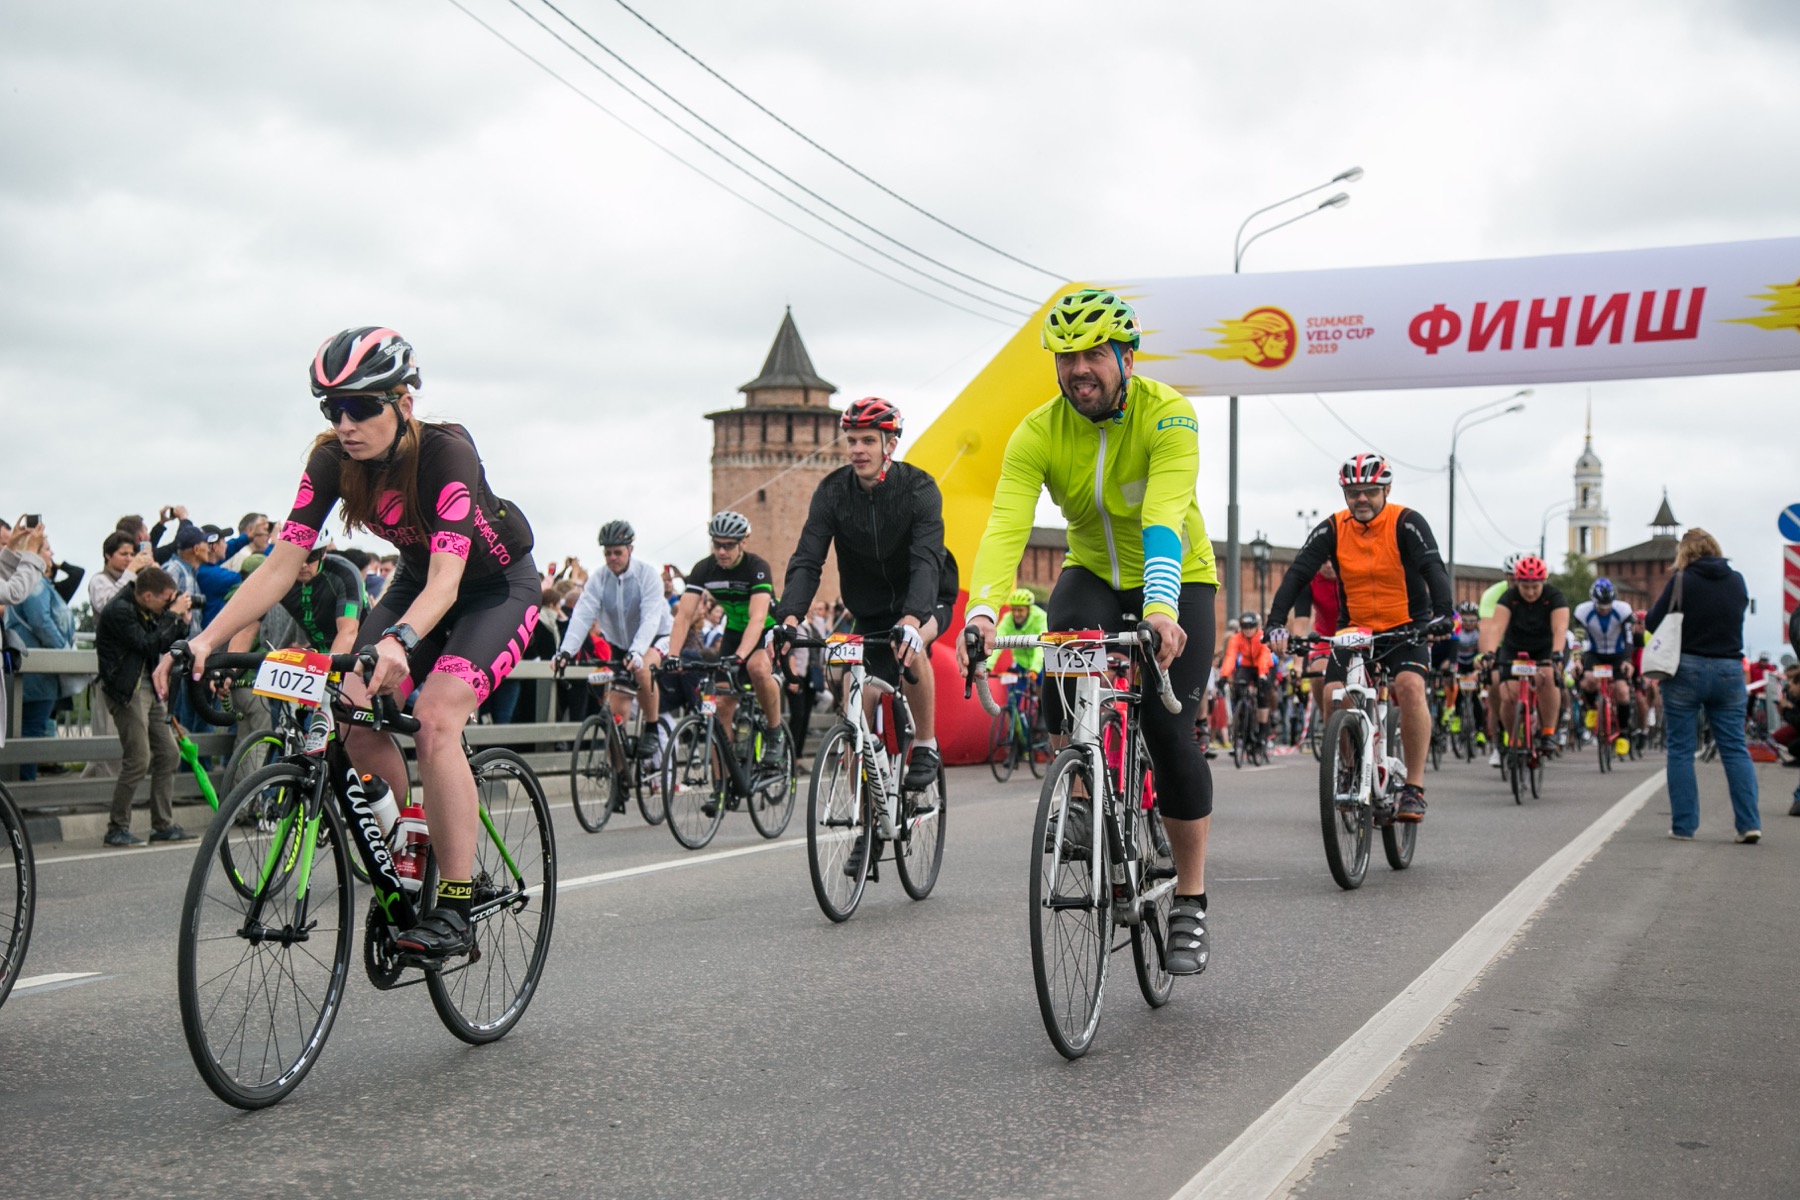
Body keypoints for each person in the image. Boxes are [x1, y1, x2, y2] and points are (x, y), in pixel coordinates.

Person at [157, 326, 539, 961]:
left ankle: (456, 901)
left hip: (495, 588)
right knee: (352, 708)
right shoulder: (331, 460)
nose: (345, 422)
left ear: (404, 403)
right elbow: (279, 566)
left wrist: (399, 641)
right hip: (417, 582)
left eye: (361, 406)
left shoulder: (446, 452)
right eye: (332, 408)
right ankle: (408, 848)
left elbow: (449, 580)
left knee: (437, 720)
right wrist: (204, 640)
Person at [959, 289, 1219, 975]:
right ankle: (1082, 795)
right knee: (1059, 674)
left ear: (1127, 357)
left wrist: (1162, 607)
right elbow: (1007, 523)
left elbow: (1164, 512)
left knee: (1167, 732)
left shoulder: (1170, 415)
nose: (1080, 369)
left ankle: (1190, 898)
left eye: (1095, 354)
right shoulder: (1038, 431)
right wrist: (982, 610)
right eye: (1066, 356)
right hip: (1094, 573)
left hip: (1178, 580)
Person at [775, 397, 954, 790]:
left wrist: (911, 619)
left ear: (889, 444)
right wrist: (789, 617)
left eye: (868, 441)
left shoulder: (918, 487)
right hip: (870, 609)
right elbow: (808, 559)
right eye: (852, 440)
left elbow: (926, 559)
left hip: (925, 597)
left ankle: (925, 743)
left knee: (913, 645)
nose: (858, 450)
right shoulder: (832, 492)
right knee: (856, 708)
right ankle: (864, 827)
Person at [1266, 454, 1455, 821]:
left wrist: (1443, 613)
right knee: (1332, 694)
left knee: (1410, 686)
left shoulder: (1407, 522)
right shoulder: (1333, 528)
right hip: (1354, 630)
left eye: (1369, 491)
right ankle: (1352, 769)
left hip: (1406, 625)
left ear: (1386, 489)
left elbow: (1433, 566)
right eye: (1353, 493)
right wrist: (1276, 623)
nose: (1361, 499)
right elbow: (1297, 574)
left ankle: (1413, 788)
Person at [1647, 528, 1759, 842]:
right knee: (1735, 748)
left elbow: (1653, 621)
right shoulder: (1737, 580)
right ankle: (1749, 823)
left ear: (1684, 553)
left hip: (1686, 668)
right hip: (1729, 669)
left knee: (1681, 750)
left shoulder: (1682, 580)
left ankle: (1684, 826)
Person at [667, 511, 785, 767]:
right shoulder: (704, 568)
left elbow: (757, 618)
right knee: (721, 707)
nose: (721, 551)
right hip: (734, 631)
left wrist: (740, 657)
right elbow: (684, 616)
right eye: (717, 544)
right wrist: (672, 655)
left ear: (743, 542)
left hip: (764, 628)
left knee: (757, 668)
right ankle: (723, 786)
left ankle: (775, 732)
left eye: (728, 545)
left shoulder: (757, 567)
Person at [553, 519, 674, 763]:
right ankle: (619, 781)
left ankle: (651, 728)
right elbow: (583, 614)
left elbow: (651, 617)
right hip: (621, 644)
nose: (612, 558)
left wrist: (638, 651)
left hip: (655, 637)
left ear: (630, 550)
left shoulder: (647, 575)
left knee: (642, 672)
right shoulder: (599, 579)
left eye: (617, 552)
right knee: (614, 714)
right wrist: (565, 652)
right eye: (607, 553)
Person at [95, 565, 195, 846]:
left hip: (149, 689)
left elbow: (169, 643)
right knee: (139, 759)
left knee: (169, 753)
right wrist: (172, 616)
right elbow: (149, 644)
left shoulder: (147, 607)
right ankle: (116, 827)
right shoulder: (120, 611)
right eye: (165, 599)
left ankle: (162, 824)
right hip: (126, 691)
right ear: (148, 595)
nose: (168, 604)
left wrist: (181, 620)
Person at [1479, 555, 1570, 765]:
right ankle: (1513, 741)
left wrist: (1556, 653)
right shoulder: (1508, 598)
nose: (1530, 592)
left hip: (1544, 648)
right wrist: (1490, 653)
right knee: (1508, 696)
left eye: (1535, 587)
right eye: (1525, 587)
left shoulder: (1555, 596)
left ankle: (1548, 731)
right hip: (1515, 649)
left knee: (1547, 676)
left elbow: (1559, 628)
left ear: (1543, 582)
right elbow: (1497, 628)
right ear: (1517, 583)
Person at [5, 528, 77, 782]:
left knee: (27, 733)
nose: (52, 553)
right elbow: (40, 621)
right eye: (46, 548)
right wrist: (66, 655)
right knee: (31, 734)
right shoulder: (34, 582)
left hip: (33, 673)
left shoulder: (38, 581)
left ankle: (18, 800)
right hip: (36, 673)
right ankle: (24, 798)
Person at [1573, 577, 1636, 745]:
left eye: (1608, 607)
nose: (1604, 611)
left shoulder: (1623, 610)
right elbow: (1578, 639)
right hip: (1595, 653)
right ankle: (1592, 709)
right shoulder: (1583, 611)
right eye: (1601, 607)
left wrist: (1628, 661)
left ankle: (1623, 734)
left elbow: (1629, 639)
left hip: (1618, 654)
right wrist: (1577, 660)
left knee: (1622, 691)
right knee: (1588, 682)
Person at [1222, 612, 1275, 745]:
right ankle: (1241, 721)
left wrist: (1262, 674)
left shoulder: (1262, 636)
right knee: (1238, 689)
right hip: (1246, 665)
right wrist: (1224, 675)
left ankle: (1262, 733)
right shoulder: (1236, 638)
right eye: (1245, 627)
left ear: (1256, 627)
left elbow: (1264, 656)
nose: (1248, 630)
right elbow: (1230, 657)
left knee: (1262, 696)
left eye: (1251, 627)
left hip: (1262, 666)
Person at [90, 531, 156, 615]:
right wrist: (131, 570)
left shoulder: (135, 577)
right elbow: (108, 607)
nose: (129, 559)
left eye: (132, 555)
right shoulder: (99, 580)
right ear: (108, 555)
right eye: (124, 554)